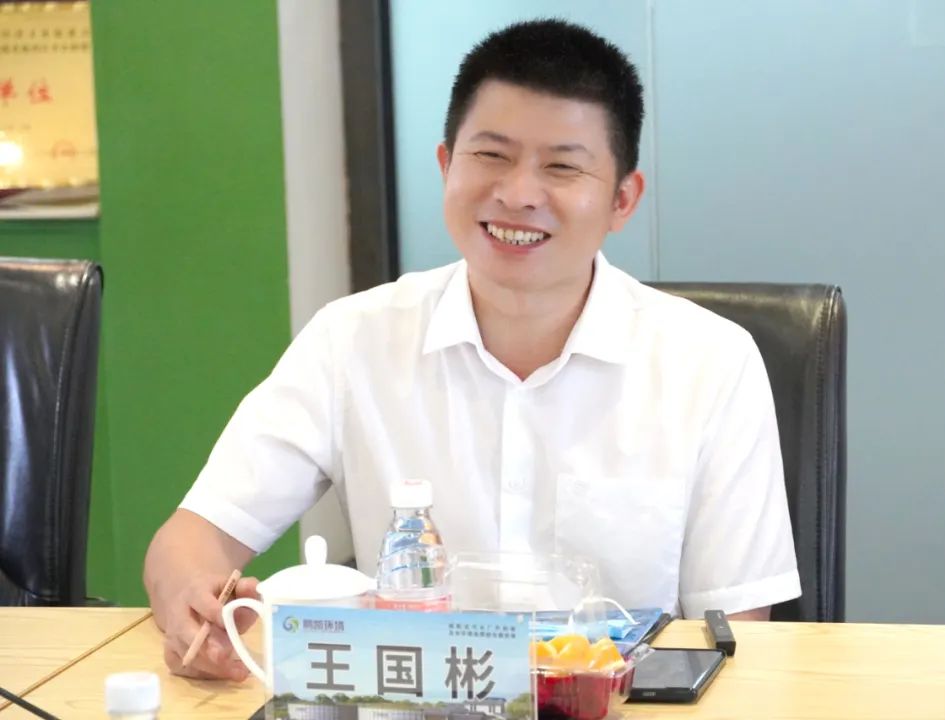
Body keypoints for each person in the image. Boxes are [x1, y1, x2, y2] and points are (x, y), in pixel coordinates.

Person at [144, 18, 800, 682]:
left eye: (561, 166)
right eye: (491, 155)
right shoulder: (352, 341)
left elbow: (735, 636)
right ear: (445, 165)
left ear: (622, 199)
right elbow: (191, 540)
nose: (517, 194)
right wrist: (194, 612)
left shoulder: (711, 364)